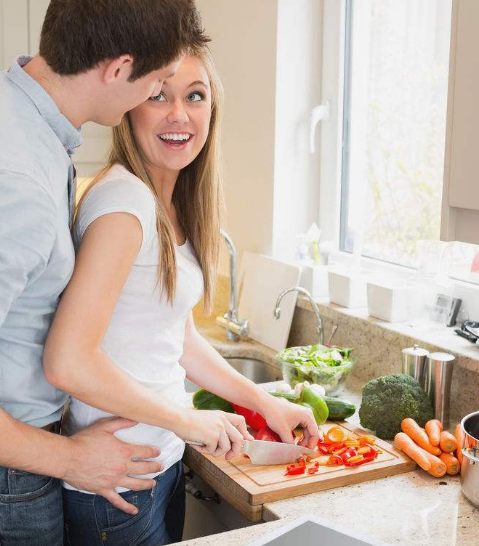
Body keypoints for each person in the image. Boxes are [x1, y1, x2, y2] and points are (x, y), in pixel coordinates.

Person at [0, 1, 208, 545]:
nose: (153, 99)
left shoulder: (9, 109)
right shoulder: (13, 179)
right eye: (153, 84)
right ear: (118, 69)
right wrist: (72, 459)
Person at [43, 48, 321, 546]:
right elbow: (68, 361)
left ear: (212, 109)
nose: (179, 114)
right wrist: (186, 419)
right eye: (158, 96)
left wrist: (264, 401)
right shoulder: (123, 206)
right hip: (119, 481)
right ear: (129, 107)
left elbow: (177, 337)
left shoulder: (164, 204)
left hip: (155, 464)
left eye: (195, 95)